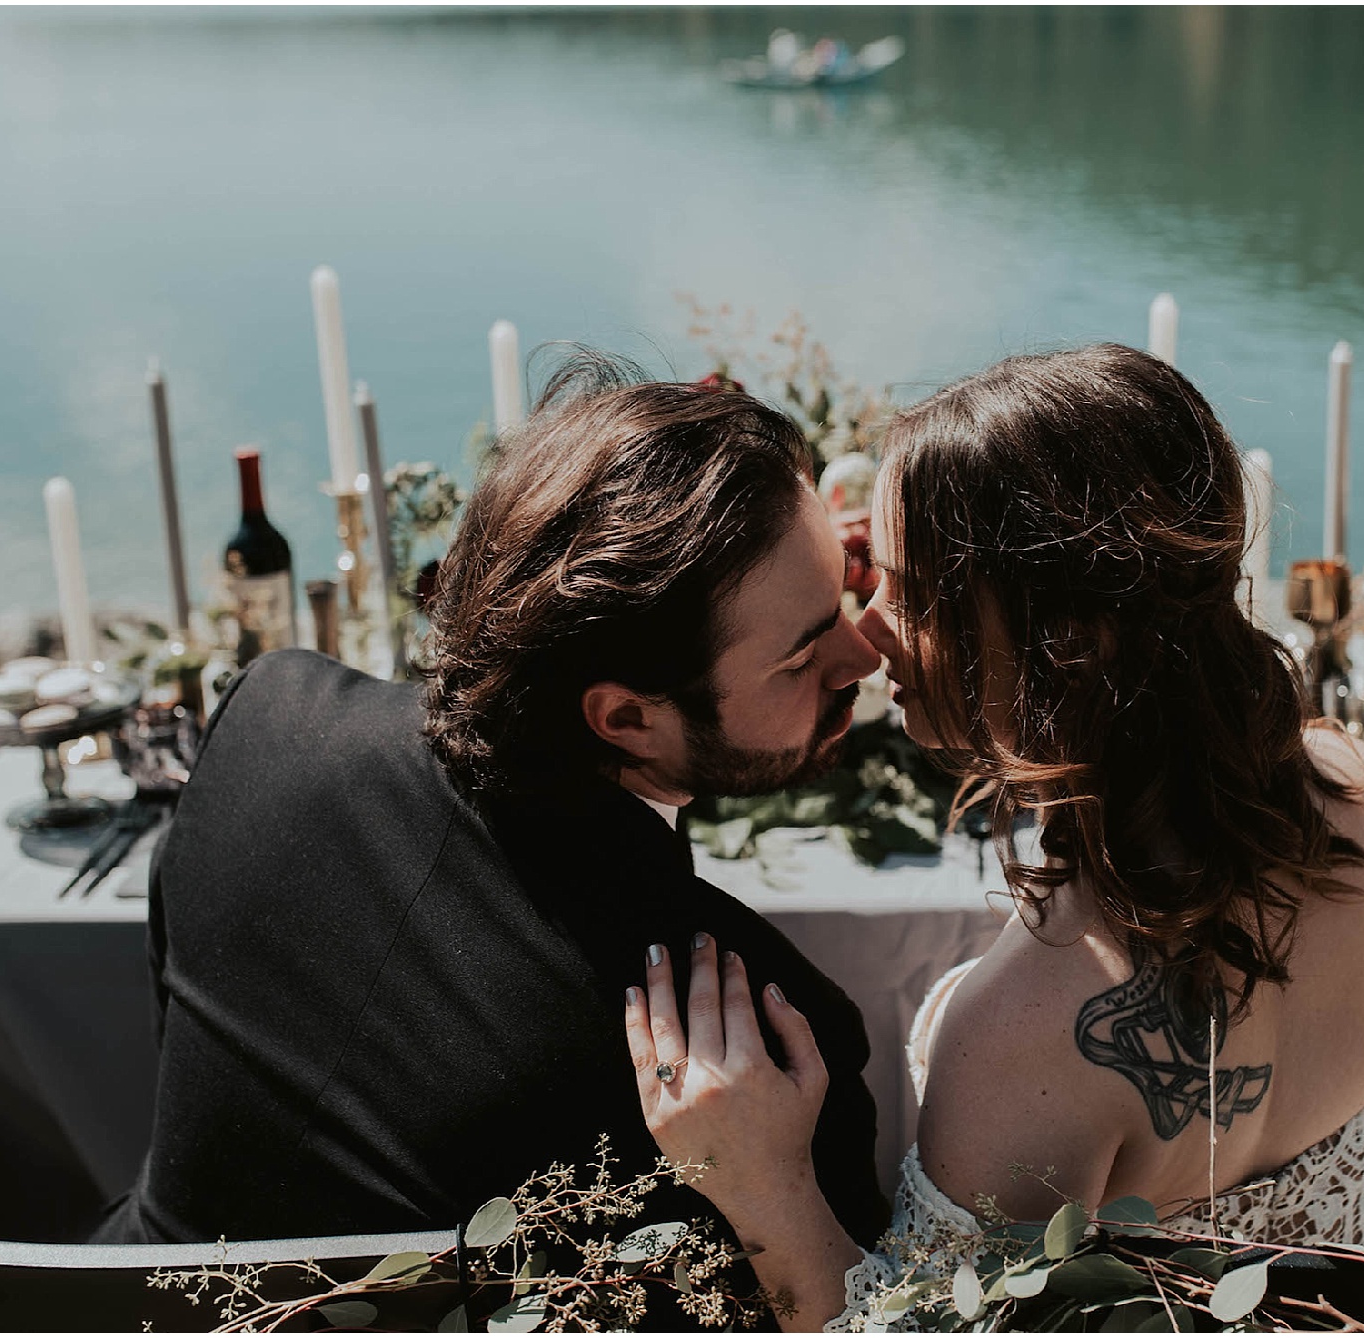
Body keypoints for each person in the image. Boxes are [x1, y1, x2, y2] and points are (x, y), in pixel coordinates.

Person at [624, 344, 1364, 1330]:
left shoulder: (1025, 1027)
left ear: (1069, 641)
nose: (871, 629)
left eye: (912, 592)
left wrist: (761, 1182)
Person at [95, 354, 891, 1260]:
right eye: (800, 656)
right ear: (626, 716)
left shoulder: (267, 716)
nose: (861, 658)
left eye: (844, 596)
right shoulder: (766, 1044)